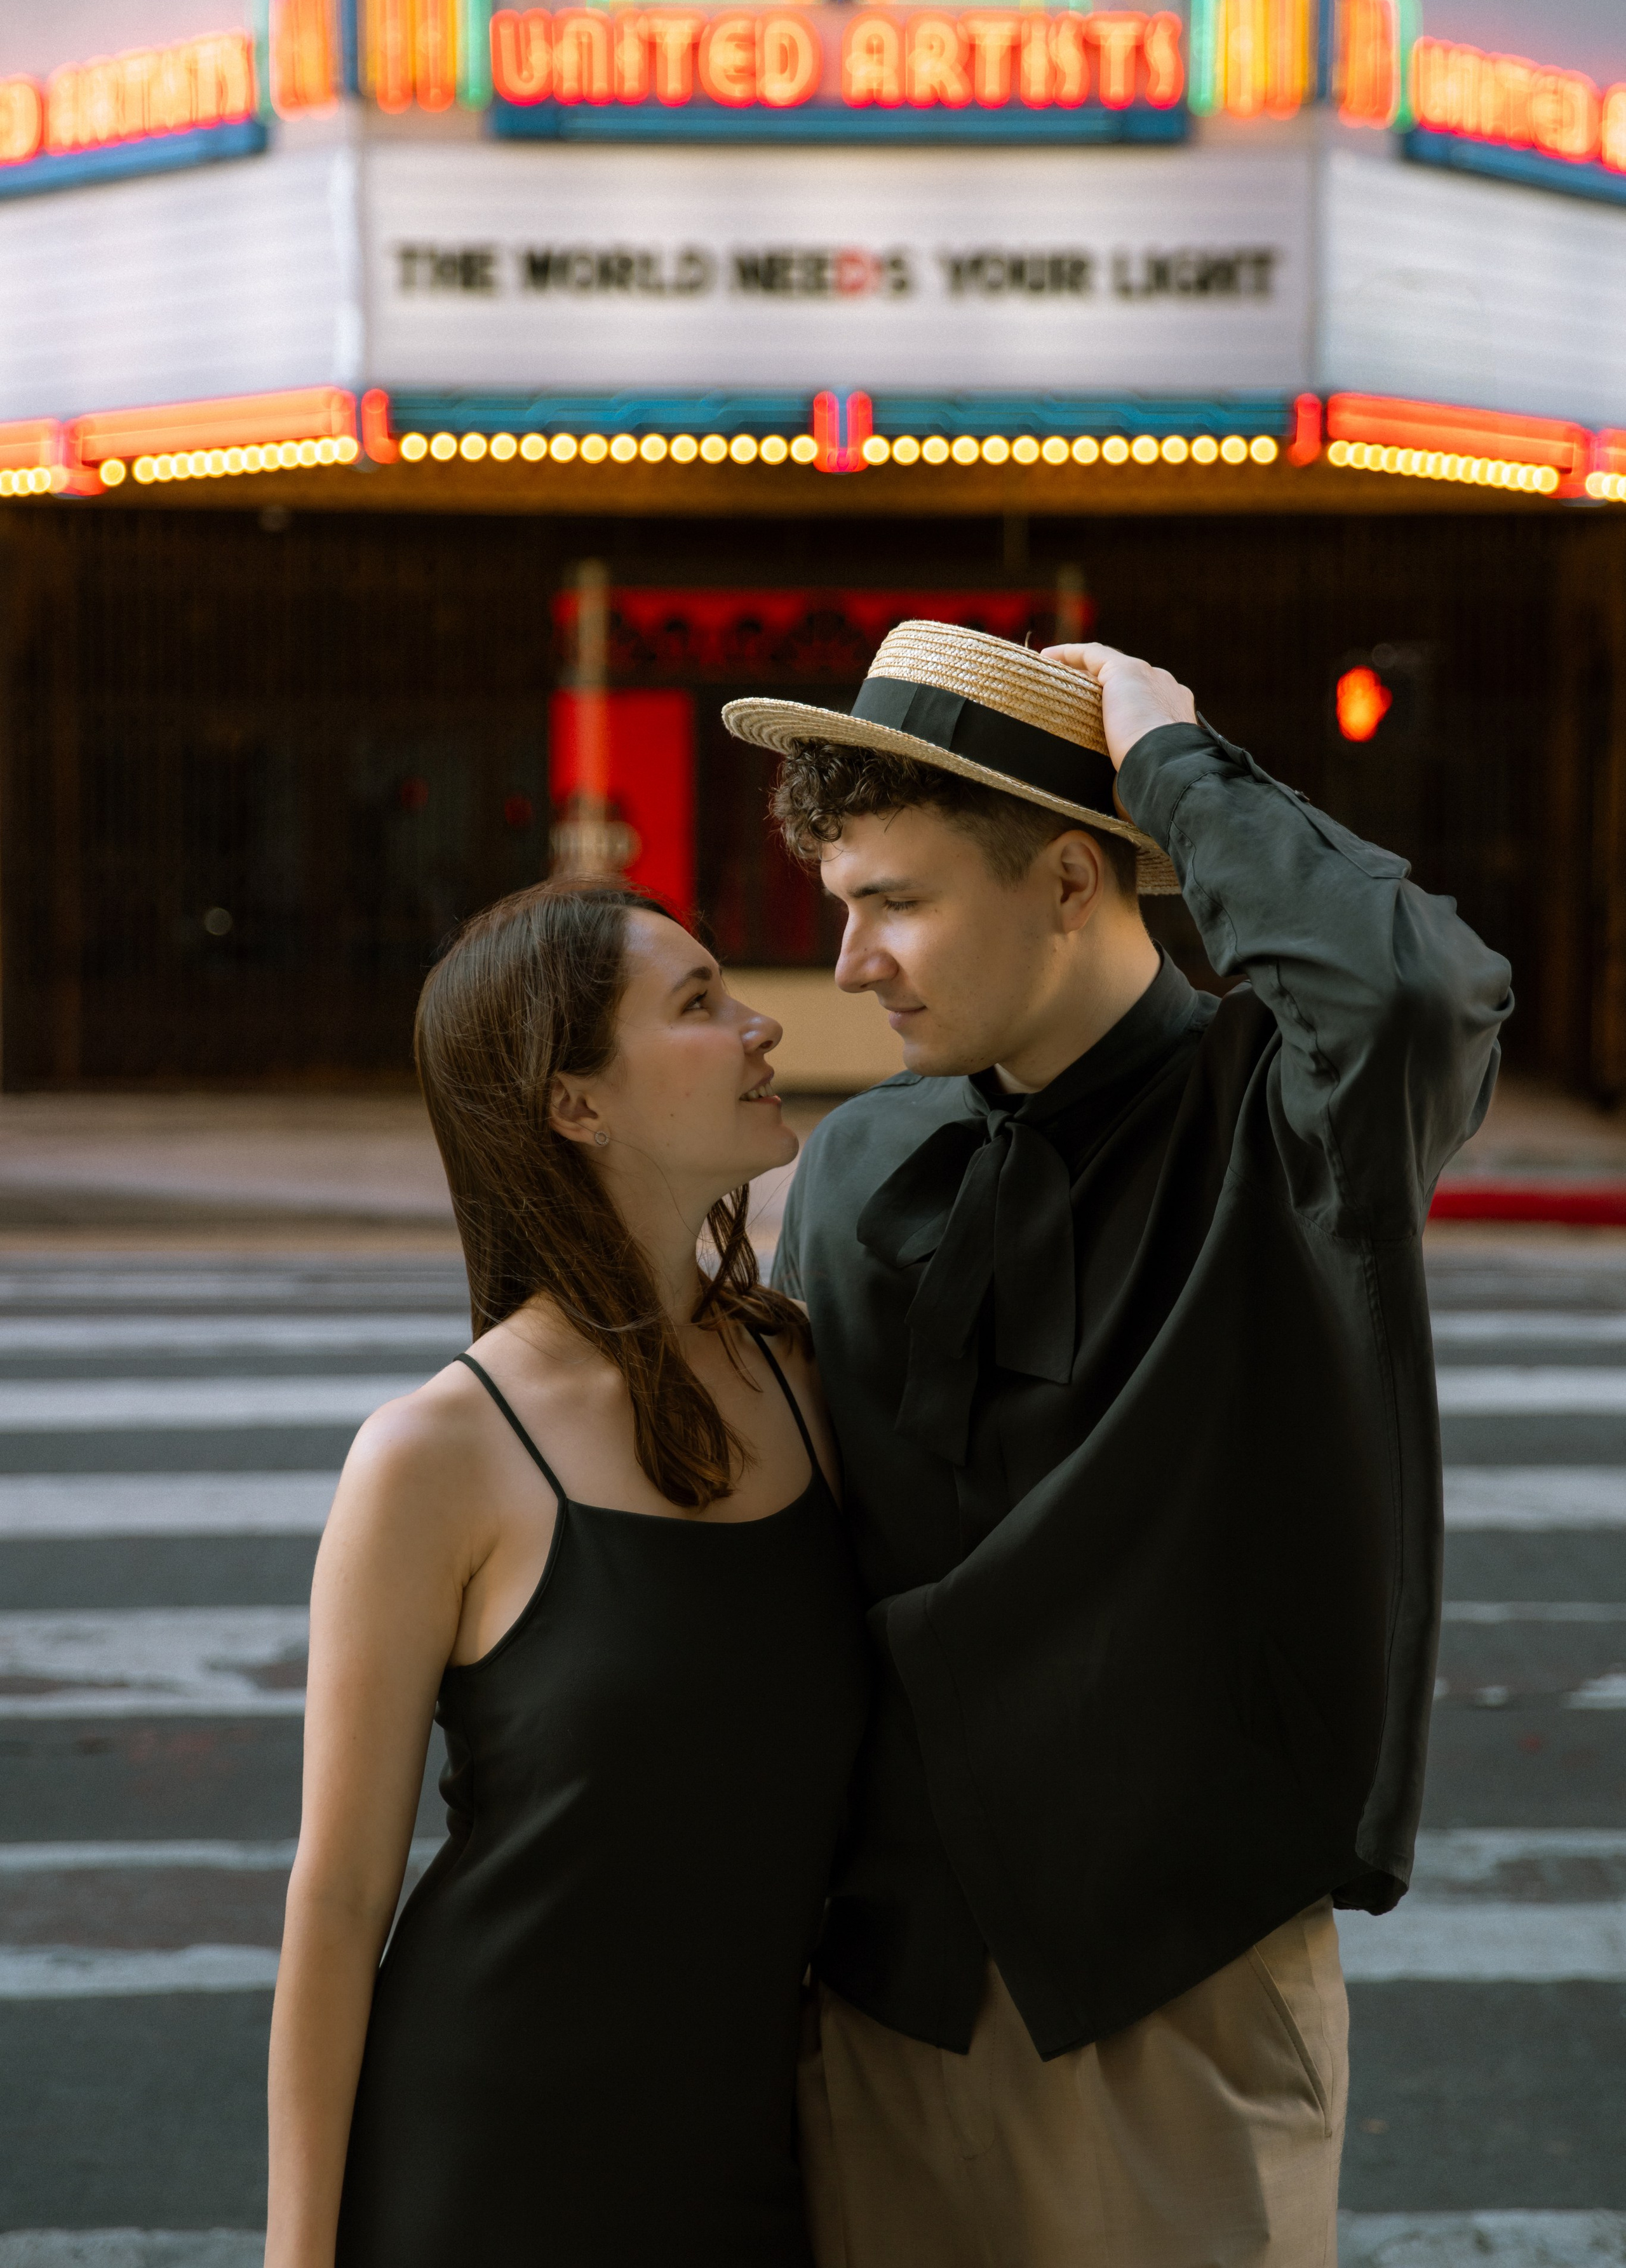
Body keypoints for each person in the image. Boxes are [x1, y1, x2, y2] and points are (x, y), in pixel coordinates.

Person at [722, 621, 1512, 2268]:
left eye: (898, 900)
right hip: (888, 1975)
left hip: (1180, 1975)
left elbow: (1411, 984)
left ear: (1075, 880)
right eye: (840, 904)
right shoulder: (860, 1163)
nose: (850, 961)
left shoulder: (1285, 1120)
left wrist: (1173, 758)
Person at [265, 879, 868, 2268]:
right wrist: (298, 2253)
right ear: (573, 1104)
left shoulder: (802, 1375)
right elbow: (340, 1895)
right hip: (493, 2156)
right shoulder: (434, 1452)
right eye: (699, 1003)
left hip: (751, 2155)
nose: (762, 1025)